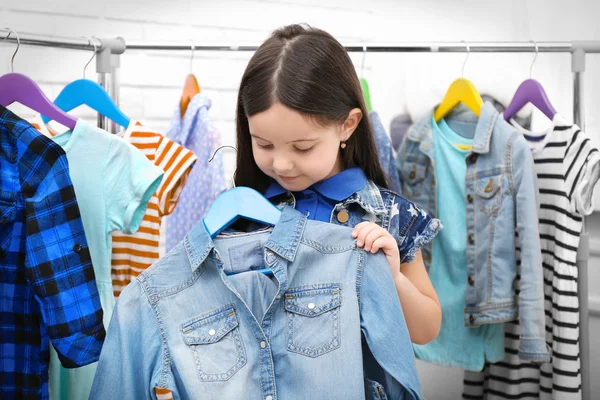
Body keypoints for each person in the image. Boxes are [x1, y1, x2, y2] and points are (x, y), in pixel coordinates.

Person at [234, 23, 442, 345]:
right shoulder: (244, 212)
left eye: (302, 147)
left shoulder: (388, 216)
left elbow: (426, 330)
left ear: (347, 125)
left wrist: (393, 278)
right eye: (263, 144)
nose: (281, 164)